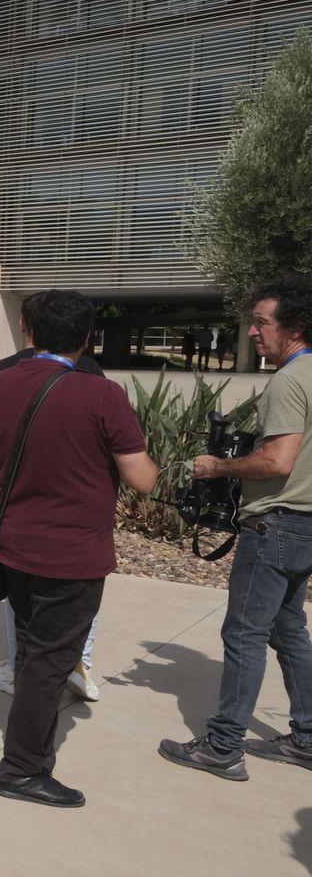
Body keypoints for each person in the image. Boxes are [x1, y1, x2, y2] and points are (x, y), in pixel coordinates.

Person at [0, 289, 155, 808]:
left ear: (26, 330)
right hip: (72, 552)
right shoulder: (102, 394)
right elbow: (141, 478)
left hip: (14, 544)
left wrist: (3, 509)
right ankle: (23, 769)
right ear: (88, 337)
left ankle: (27, 757)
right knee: (52, 662)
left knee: (32, 651)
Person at [160, 277, 312, 781]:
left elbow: (277, 460)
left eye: (262, 322)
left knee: (244, 632)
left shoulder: (290, 380)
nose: (252, 332)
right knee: (288, 627)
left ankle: (224, 746)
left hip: (277, 524)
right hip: (306, 526)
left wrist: (216, 468)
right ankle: (307, 736)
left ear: (294, 326)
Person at [0, 321, 108, 701]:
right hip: (80, 516)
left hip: (20, 513)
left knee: (19, 596)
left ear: (25, 327)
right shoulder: (92, 373)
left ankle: (22, 669)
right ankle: (80, 663)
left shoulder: (1, 373)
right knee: (80, 594)